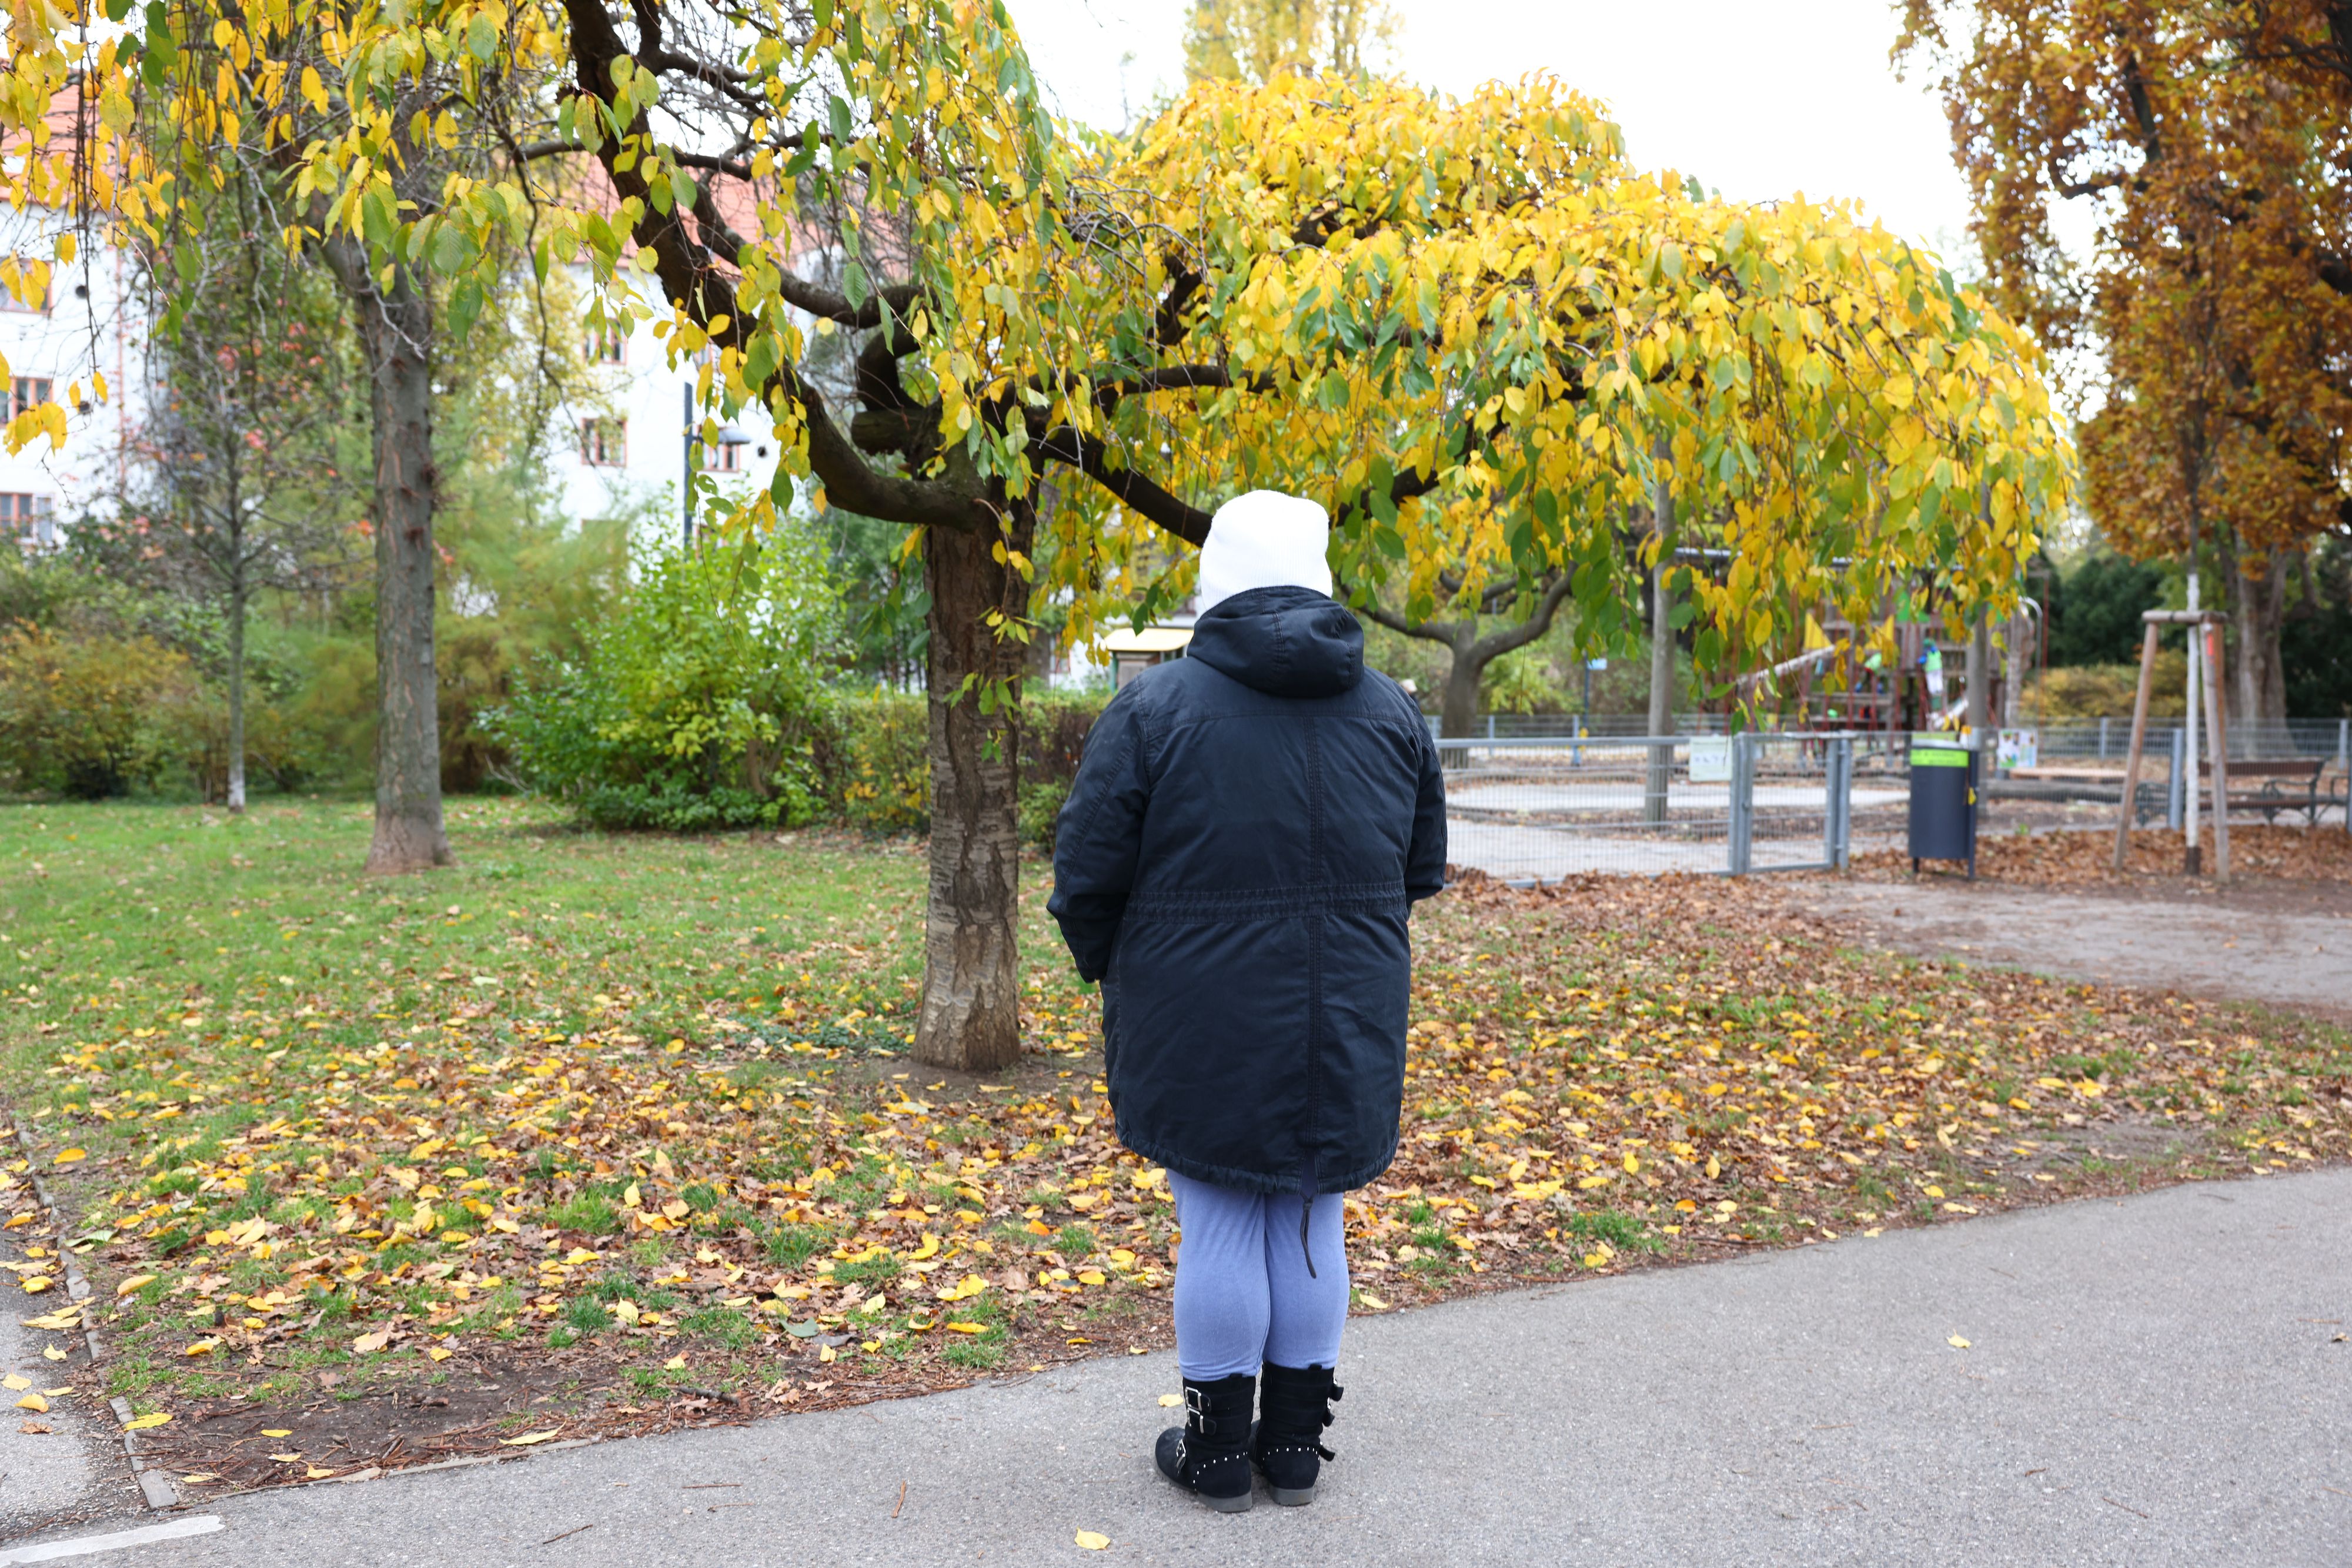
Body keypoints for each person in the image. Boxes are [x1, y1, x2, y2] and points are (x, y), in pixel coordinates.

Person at [1048, 489, 1446, 1513]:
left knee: (1221, 1214)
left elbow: (1085, 879)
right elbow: (1420, 870)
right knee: (1313, 1218)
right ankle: (1297, 1451)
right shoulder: (1395, 711)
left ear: (1213, 583)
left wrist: (1122, 971)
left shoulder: (1153, 708)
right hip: (1346, 1013)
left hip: (1200, 1016)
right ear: (1319, 579)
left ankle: (1219, 1454)